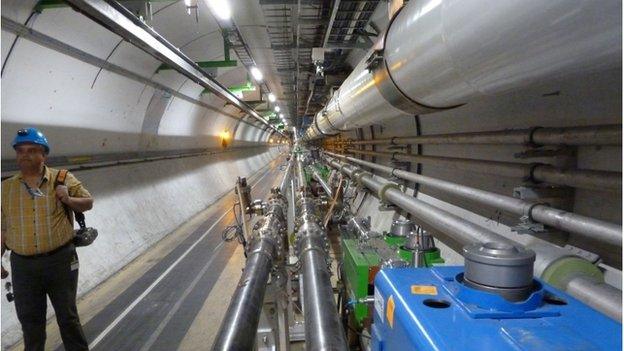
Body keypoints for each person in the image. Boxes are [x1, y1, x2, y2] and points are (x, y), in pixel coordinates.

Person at [1, 128, 93, 351]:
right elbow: (3, 226)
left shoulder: (62, 178)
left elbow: (88, 202)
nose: (25, 155)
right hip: (23, 265)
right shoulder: (6, 188)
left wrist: (68, 198)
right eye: (21, 150)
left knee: (68, 317)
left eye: (32, 150)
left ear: (44, 155)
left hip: (59, 260)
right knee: (30, 323)